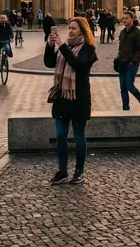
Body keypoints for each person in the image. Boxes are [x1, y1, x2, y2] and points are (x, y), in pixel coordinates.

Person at [45, 17, 98, 185]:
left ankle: (79, 171)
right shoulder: (66, 46)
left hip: (78, 99)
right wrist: (50, 46)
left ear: (83, 30)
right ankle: (62, 171)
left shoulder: (89, 48)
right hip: (62, 97)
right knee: (60, 136)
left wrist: (62, 46)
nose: (70, 31)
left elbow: (77, 64)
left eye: (74, 28)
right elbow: (49, 63)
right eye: (69, 28)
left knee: (78, 135)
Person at [117, 11, 140, 111]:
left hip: (131, 63)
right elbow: (121, 48)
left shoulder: (137, 31)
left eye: (126, 18)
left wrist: (133, 61)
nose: (124, 20)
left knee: (129, 86)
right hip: (122, 63)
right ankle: (125, 108)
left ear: (132, 19)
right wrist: (117, 59)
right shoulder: (122, 32)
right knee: (123, 88)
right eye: (123, 18)